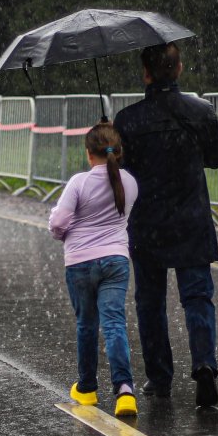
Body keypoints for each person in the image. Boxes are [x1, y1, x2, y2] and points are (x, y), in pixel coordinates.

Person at [112, 42, 218, 407]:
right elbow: (215, 159)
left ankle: (160, 378)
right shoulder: (201, 110)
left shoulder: (128, 120)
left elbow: (121, 169)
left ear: (146, 73)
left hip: (148, 223)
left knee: (150, 302)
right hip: (191, 218)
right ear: (178, 69)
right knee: (197, 296)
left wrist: (111, 141)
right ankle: (205, 365)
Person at [48, 123, 140, 416]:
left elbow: (59, 223)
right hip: (115, 260)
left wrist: (67, 233)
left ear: (89, 154)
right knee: (114, 323)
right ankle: (125, 390)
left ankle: (87, 388)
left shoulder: (78, 183)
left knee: (86, 324)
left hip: (80, 262)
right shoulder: (129, 183)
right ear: (119, 151)